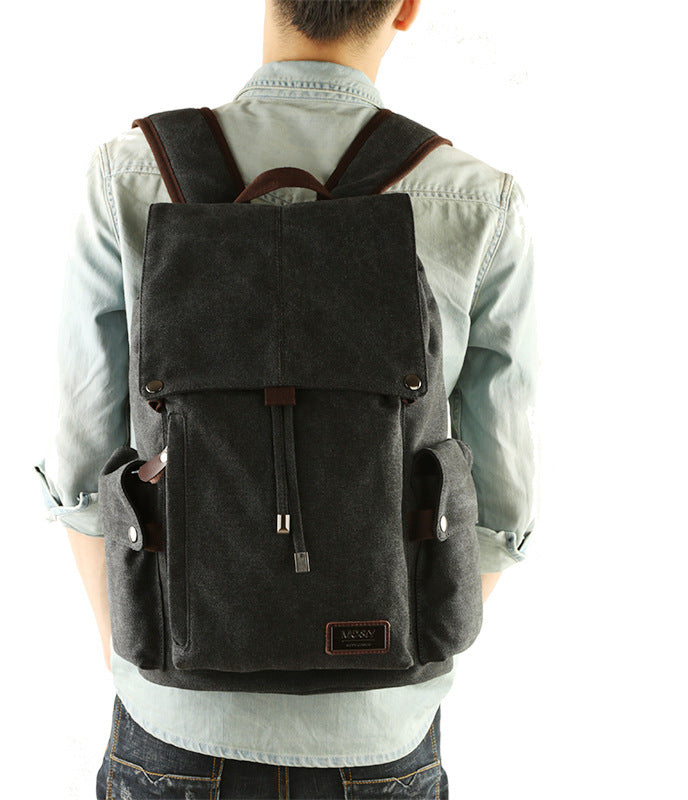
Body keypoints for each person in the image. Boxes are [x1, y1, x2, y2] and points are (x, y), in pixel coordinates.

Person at [34, 0, 538, 797]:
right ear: (407, 9)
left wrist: (136, 648)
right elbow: (503, 499)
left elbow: (80, 465)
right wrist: (410, 638)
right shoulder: (478, 200)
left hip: (172, 722)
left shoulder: (128, 173)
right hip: (382, 734)